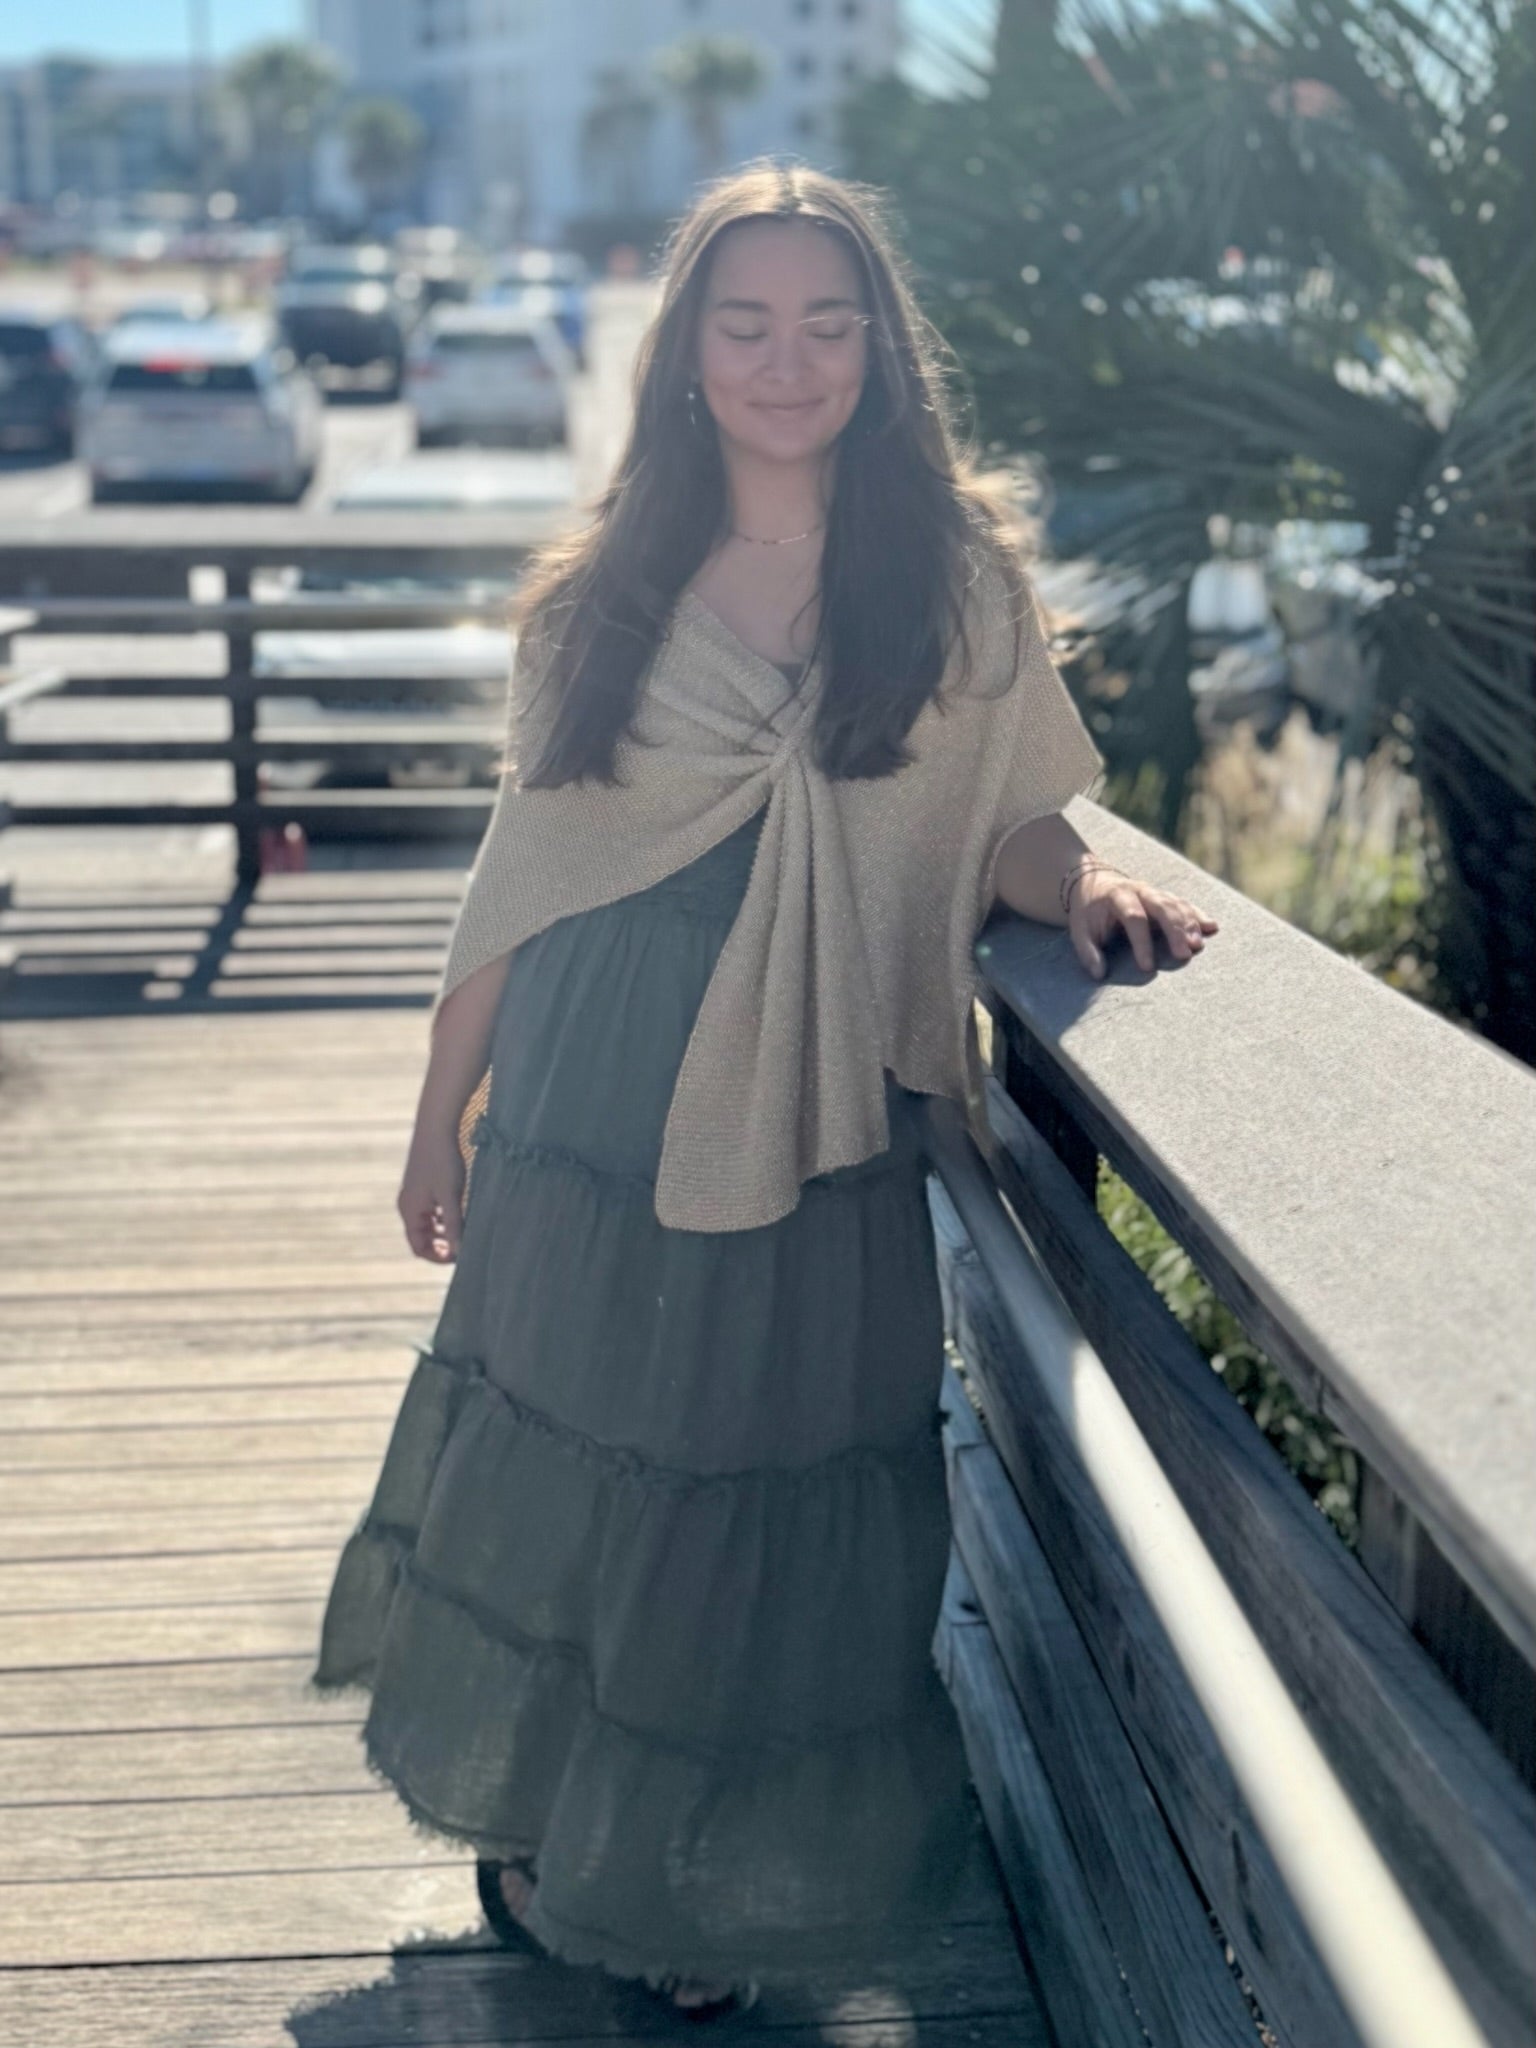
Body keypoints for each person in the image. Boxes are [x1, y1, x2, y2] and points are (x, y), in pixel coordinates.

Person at [312, 159, 1217, 2019]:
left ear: (881, 351)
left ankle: (691, 1885)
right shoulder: (607, 589)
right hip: (595, 1094)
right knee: (586, 1446)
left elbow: (1009, 819)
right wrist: (437, 1116)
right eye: (747, 323)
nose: (788, 359)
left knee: (767, 1472)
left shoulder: (954, 581)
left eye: (827, 321)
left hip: (822, 1099)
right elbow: (524, 871)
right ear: (689, 355)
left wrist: (1089, 887)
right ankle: (552, 1828)